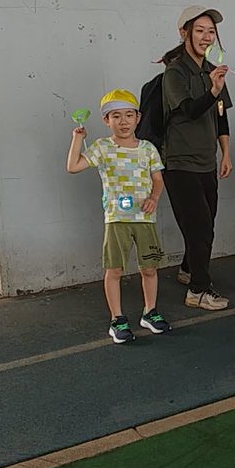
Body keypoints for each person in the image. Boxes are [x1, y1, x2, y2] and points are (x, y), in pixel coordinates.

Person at [66, 89, 171, 344]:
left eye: (128, 115)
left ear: (138, 118)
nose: (123, 121)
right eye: (116, 116)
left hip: (145, 219)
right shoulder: (102, 147)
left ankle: (150, 312)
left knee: (149, 268)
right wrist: (77, 139)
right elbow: (73, 166)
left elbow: (158, 179)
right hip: (116, 219)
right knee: (114, 270)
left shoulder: (148, 148)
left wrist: (154, 198)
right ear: (106, 120)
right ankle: (117, 319)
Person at [161, 6, 233, 311]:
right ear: (184, 33)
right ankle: (198, 291)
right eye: (200, 30)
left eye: (210, 31)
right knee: (199, 227)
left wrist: (225, 152)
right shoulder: (175, 72)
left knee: (205, 223)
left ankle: (189, 269)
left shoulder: (212, 71)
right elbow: (189, 110)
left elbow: (221, 119)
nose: (206, 36)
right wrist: (213, 90)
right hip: (179, 163)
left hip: (206, 162)